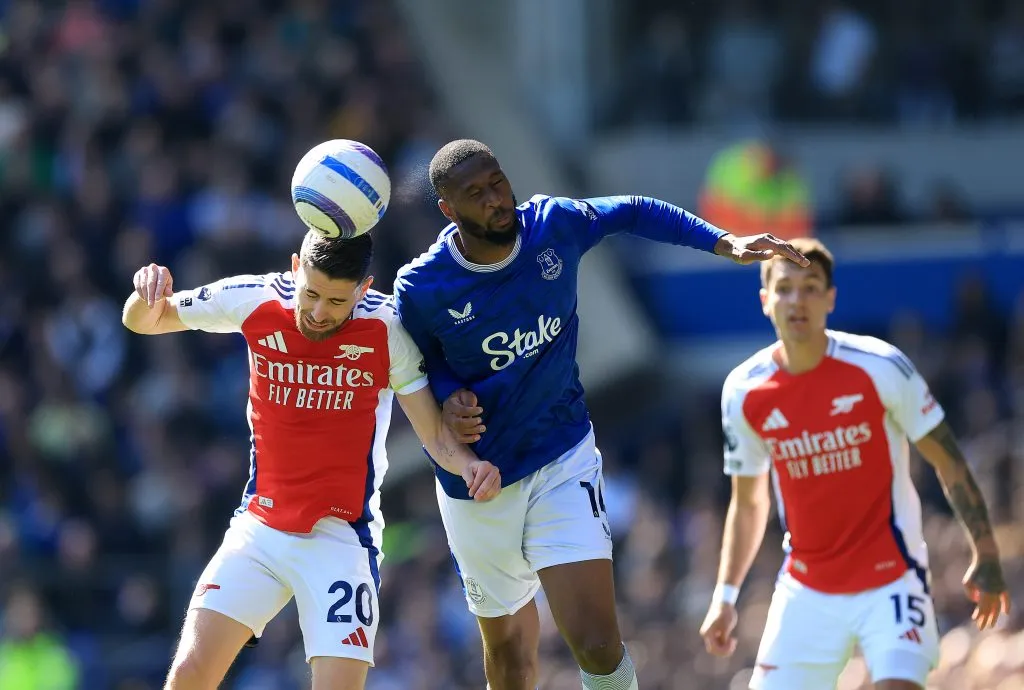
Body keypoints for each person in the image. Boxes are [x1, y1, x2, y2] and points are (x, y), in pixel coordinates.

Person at [392, 138, 808, 690]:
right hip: (479, 483)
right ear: (448, 209)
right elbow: (419, 367)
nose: (497, 198)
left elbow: (635, 209)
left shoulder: (553, 224)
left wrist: (722, 241)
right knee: (510, 654)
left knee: (595, 642)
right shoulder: (421, 287)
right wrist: (449, 399)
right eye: (477, 193)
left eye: (498, 181)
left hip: (563, 456)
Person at [122, 230, 501, 690]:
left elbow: (435, 436)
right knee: (189, 674)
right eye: (312, 294)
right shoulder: (253, 298)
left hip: (341, 541)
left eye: (338, 302)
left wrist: (468, 465)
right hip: (260, 531)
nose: (320, 313)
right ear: (295, 267)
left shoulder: (387, 329)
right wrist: (147, 291)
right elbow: (143, 321)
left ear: (363, 289)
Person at [699, 237, 1011, 690]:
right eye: (784, 288)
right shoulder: (743, 391)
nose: (797, 300)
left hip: (892, 580)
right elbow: (748, 504)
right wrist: (725, 597)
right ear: (766, 301)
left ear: (830, 299)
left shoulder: (881, 366)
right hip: (805, 589)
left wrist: (985, 551)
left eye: (810, 287)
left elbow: (951, 463)